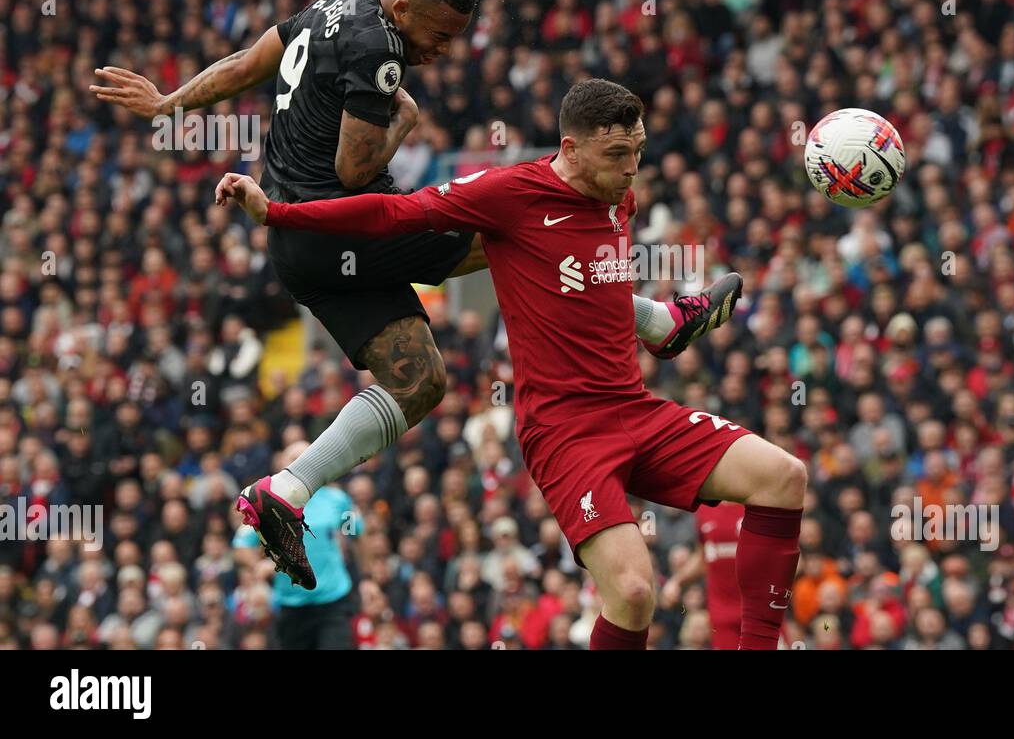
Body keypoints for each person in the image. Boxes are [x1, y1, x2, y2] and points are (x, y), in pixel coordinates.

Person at [93, 0, 741, 588]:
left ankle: (284, 490)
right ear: (403, 8)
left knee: (421, 383)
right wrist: (402, 119)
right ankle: (656, 322)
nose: (440, 51)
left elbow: (246, 64)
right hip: (343, 225)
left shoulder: (332, 6)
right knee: (521, 226)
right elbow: (352, 170)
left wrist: (168, 103)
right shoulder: (381, 47)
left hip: (300, 247)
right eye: (437, 35)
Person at [216, 78, 805, 649]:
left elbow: (583, 287)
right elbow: (390, 214)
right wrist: (279, 215)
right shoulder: (507, 194)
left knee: (784, 477)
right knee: (631, 594)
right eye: (618, 153)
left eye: (638, 151)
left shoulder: (618, 197)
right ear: (571, 149)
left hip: (636, 410)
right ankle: (665, 322)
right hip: (565, 431)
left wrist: (650, 321)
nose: (631, 168)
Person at [231, 440, 361, 649]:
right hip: (291, 603)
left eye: (307, 459)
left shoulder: (338, 500)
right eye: (294, 460)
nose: (302, 465)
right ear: (282, 466)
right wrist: (258, 566)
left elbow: (355, 532)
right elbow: (241, 545)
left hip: (334, 598)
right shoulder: (267, 506)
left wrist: (366, 575)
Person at [660, 502, 744, 649]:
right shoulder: (705, 509)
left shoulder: (757, 501)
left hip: (758, 610)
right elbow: (702, 558)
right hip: (722, 613)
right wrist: (676, 581)